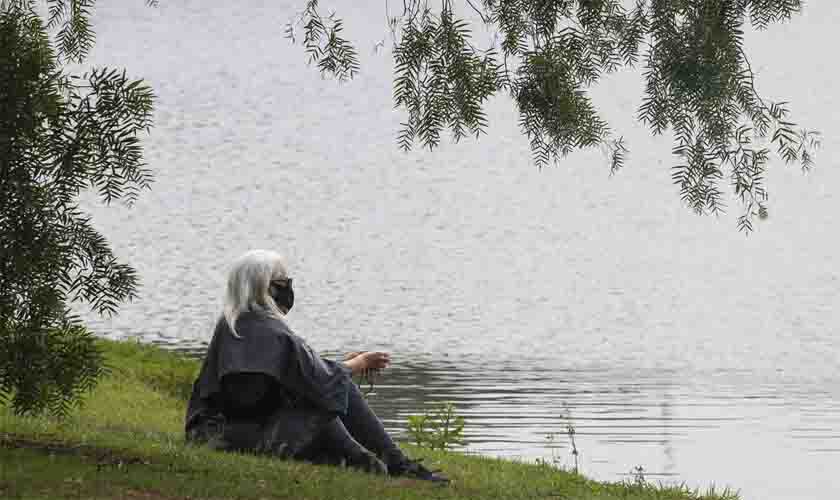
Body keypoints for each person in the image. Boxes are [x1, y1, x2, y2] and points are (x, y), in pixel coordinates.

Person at [184, 249, 449, 483]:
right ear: (264, 288)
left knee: (335, 386)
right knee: (332, 391)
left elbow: (299, 374)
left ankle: (376, 462)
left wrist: (343, 367)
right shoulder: (268, 330)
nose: (288, 288)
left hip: (213, 432)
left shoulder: (233, 322)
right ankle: (385, 464)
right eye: (282, 283)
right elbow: (319, 381)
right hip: (228, 439)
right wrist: (358, 364)